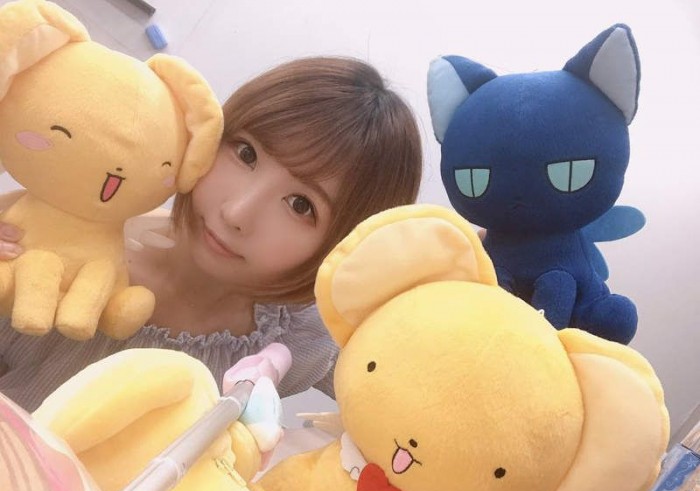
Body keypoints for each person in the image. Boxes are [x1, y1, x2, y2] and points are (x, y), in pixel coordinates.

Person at [0, 57, 422, 412]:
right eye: (246, 153)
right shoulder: (54, 240)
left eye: (300, 205)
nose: (237, 213)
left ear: (340, 245)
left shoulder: (293, 341)